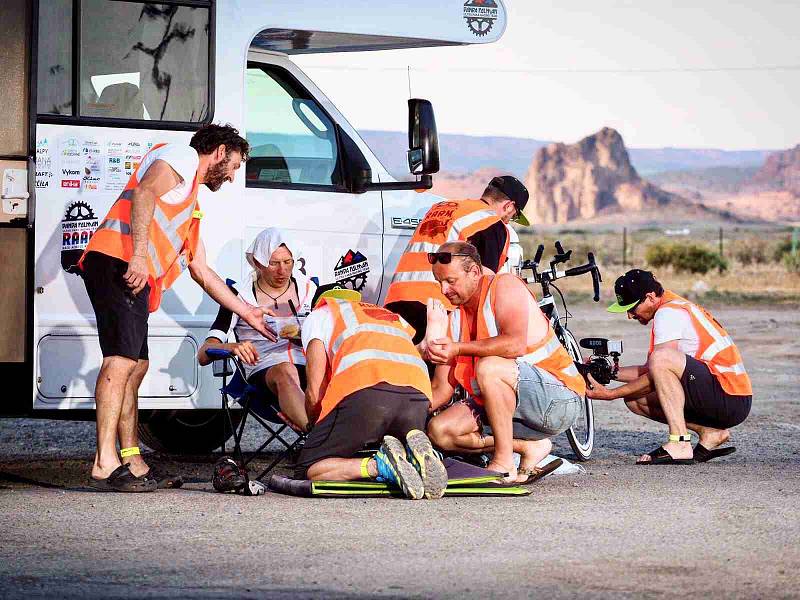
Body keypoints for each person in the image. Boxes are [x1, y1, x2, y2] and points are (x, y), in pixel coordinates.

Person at [79, 124, 275, 492]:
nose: (232, 176)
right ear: (218, 152)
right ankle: (104, 462)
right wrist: (137, 256)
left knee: (137, 366)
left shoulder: (191, 203)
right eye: (233, 166)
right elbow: (144, 192)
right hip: (116, 261)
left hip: (127, 268)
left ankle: (132, 458)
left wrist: (247, 311)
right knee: (120, 361)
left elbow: (201, 271)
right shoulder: (182, 157)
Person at [424, 241, 586, 483]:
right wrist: (401, 411)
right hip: (514, 411)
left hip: (559, 400)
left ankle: (503, 463)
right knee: (440, 430)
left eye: (450, 281)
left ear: (475, 273)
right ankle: (528, 448)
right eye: (439, 282)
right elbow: (440, 390)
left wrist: (457, 348)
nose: (443, 290)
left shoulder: (504, 286)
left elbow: (514, 344)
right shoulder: (454, 319)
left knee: (489, 367)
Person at [587, 269, 752, 464]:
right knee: (634, 399)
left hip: (728, 396)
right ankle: (709, 433)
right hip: (728, 396)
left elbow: (659, 368)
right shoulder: (673, 306)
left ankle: (680, 443)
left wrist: (611, 394)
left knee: (661, 359)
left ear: (650, 297)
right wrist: (607, 372)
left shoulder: (668, 313)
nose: (630, 316)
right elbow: (653, 372)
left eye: (632, 308)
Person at [295, 290, 447, 500]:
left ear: (319, 303)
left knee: (309, 469)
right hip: (417, 395)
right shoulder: (384, 315)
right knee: (394, 439)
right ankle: (414, 458)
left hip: (367, 391)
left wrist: (315, 427)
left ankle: (379, 465)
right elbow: (400, 354)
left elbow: (314, 391)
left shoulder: (319, 315)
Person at [384, 175, 530, 344]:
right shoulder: (492, 223)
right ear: (508, 206)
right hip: (438, 309)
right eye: (513, 216)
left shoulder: (440, 208)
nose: (508, 221)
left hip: (396, 302)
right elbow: (484, 283)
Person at [198, 228, 317, 430]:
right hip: (264, 374)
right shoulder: (238, 296)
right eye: (274, 263)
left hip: (310, 367)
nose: (283, 271)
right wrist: (233, 347)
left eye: (288, 262)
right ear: (258, 263)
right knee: (285, 370)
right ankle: (317, 439)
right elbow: (203, 354)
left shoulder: (309, 289)